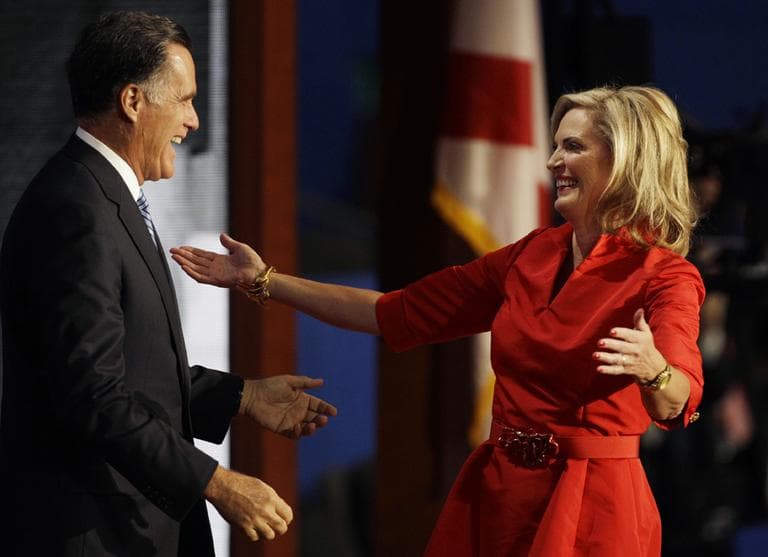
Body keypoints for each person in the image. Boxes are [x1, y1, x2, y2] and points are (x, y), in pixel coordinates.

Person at [171, 85, 705, 556]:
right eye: (554, 145)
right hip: (499, 493)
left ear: (624, 161)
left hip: (589, 505)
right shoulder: (530, 256)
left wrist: (653, 368)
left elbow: (678, 395)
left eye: (572, 147)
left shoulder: (664, 277)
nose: (550, 162)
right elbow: (394, 312)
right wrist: (263, 279)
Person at [0, 11, 336, 557]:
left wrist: (242, 396)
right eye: (183, 99)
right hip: (94, 533)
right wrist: (217, 482)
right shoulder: (76, 210)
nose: (195, 120)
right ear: (133, 102)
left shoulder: (101, 196)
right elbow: (93, 396)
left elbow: (129, 368)